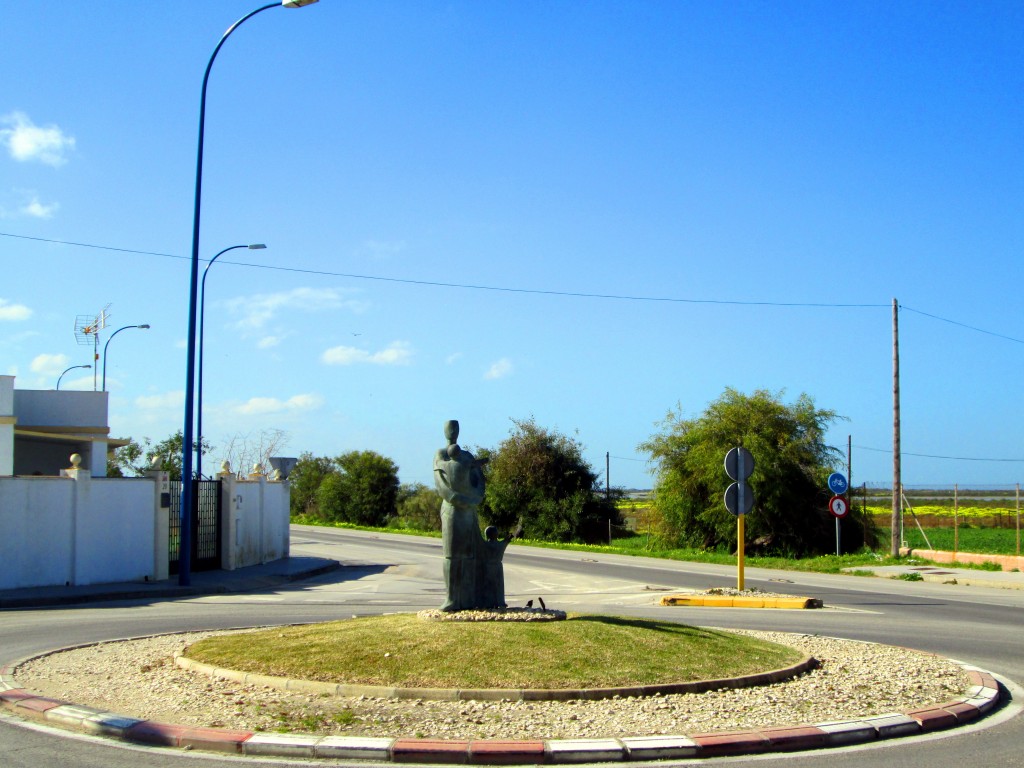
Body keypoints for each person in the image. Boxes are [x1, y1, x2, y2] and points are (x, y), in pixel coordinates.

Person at [433, 420, 487, 611]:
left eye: (455, 428)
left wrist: (476, 499)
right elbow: (441, 484)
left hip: (468, 510)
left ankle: (469, 597)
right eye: (449, 428)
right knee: (451, 556)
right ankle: (452, 598)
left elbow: (479, 479)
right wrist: (457, 498)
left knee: (469, 555)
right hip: (452, 510)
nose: (452, 431)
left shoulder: (467, 456)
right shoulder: (440, 455)